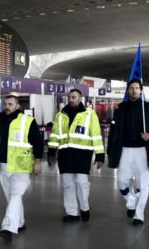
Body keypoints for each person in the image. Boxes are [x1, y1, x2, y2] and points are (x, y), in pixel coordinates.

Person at [0, 94, 43, 242]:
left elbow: (38, 143)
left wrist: (37, 161)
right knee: (12, 197)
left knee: (15, 195)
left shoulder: (27, 121)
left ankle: (7, 228)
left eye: (11, 104)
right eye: (5, 104)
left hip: (21, 166)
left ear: (18, 106)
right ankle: (19, 222)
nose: (7, 107)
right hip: (3, 166)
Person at [107, 79, 149, 226]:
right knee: (122, 181)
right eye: (131, 88)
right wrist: (109, 151)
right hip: (125, 150)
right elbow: (113, 132)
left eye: (137, 88)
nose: (134, 90)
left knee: (144, 185)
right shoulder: (120, 109)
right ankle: (131, 200)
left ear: (141, 90)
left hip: (144, 151)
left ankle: (139, 214)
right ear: (128, 91)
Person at [47, 89, 104, 222]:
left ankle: (85, 208)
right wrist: (51, 151)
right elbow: (55, 135)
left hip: (83, 154)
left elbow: (96, 135)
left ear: (80, 98)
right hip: (65, 154)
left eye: (74, 97)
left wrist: (100, 155)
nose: (71, 100)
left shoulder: (90, 114)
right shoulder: (60, 115)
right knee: (68, 184)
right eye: (69, 97)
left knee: (82, 182)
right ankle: (72, 213)